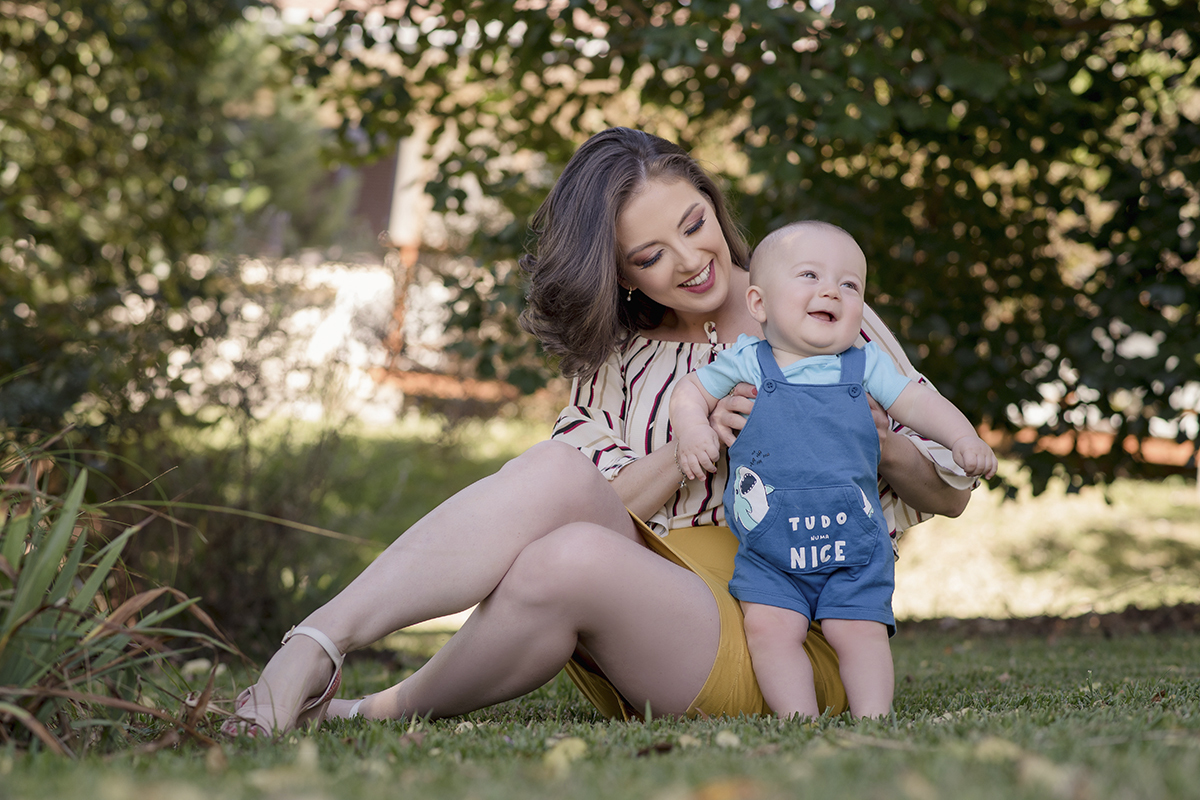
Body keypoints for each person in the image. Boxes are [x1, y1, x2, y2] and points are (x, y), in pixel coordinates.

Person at [221, 128, 973, 737]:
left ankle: (352, 694)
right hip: (654, 614)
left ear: (713, 204)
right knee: (556, 498)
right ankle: (319, 653)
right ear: (619, 275)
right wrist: (689, 444)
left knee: (567, 556)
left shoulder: (814, 304)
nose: (690, 261)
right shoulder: (614, 363)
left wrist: (884, 443)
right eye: (651, 256)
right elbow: (589, 500)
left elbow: (951, 493)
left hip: (793, 631)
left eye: (695, 224)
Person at [670, 220, 996, 719]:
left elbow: (920, 401)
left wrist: (963, 438)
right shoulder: (748, 363)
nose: (832, 290)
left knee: (858, 630)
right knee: (770, 630)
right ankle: (797, 719)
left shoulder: (864, 365)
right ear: (759, 304)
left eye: (850, 285)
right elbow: (690, 392)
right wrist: (693, 430)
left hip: (854, 544)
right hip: (769, 550)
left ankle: (873, 717)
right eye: (810, 275)